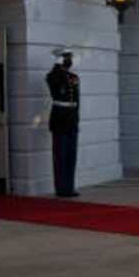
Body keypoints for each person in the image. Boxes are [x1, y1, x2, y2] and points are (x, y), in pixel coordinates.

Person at [47, 47, 80, 198]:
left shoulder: (74, 77)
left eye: (69, 57)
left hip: (72, 119)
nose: (69, 60)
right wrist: (57, 64)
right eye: (66, 57)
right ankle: (61, 189)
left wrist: (76, 119)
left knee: (71, 155)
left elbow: (76, 101)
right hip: (60, 120)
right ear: (60, 59)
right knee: (60, 155)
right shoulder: (53, 76)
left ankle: (70, 187)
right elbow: (54, 79)